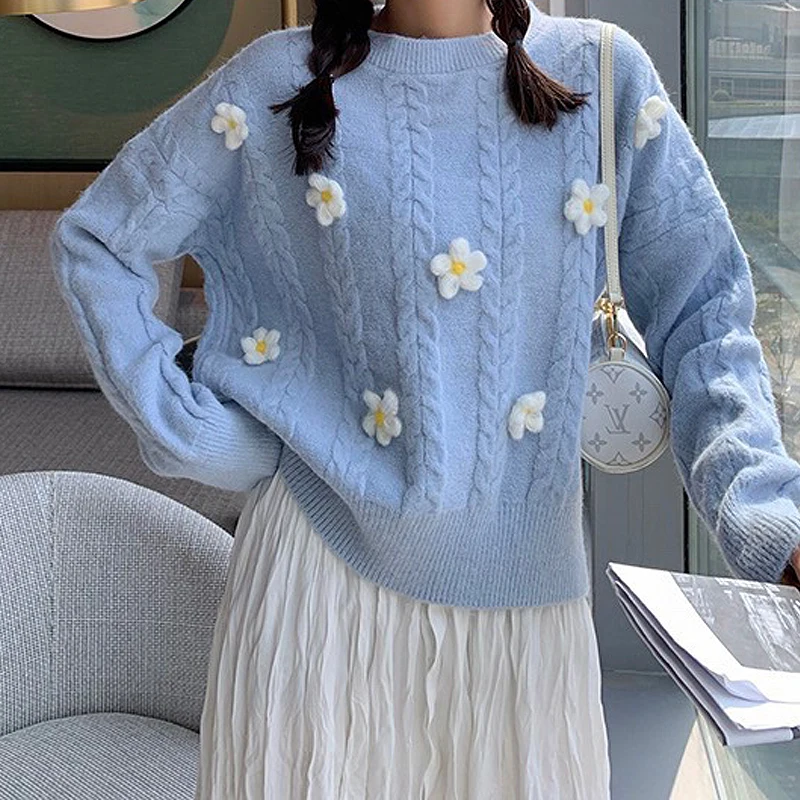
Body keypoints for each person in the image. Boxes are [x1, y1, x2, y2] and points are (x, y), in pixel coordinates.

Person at [49, 0, 800, 796]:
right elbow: (101, 241)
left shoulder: (602, 75)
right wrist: (194, 431)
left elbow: (705, 315)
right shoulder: (277, 80)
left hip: (526, 618)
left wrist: (766, 514)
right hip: (312, 604)